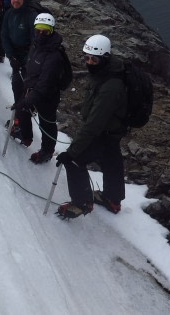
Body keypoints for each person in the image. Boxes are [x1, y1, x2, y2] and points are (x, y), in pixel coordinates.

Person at [54, 34, 133, 220]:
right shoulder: (108, 72)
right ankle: (112, 200)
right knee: (112, 161)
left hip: (104, 131)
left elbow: (93, 125)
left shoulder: (110, 86)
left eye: (94, 59)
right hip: (113, 129)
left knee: (74, 161)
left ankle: (82, 203)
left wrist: (72, 152)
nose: (89, 62)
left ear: (104, 58)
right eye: (87, 57)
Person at [14, 12, 64, 164]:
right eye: (38, 30)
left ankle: (47, 151)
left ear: (52, 31)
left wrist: (29, 99)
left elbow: (45, 82)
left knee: (46, 122)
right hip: (33, 88)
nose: (41, 33)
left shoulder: (54, 55)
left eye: (45, 31)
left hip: (47, 94)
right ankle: (26, 136)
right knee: (23, 110)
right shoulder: (37, 45)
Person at [0, 0, 39, 146]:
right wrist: (11, 57)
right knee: (17, 90)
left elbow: (34, 42)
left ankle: (25, 131)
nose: (15, 0)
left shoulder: (30, 16)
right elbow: (4, 36)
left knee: (25, 95)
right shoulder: (9, 14)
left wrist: (26, 63)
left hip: (28, 61)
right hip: (16, 59)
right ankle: (19, 123)